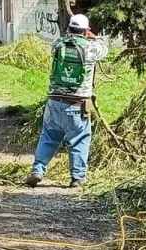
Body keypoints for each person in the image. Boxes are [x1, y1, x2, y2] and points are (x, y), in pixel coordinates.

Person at [26, 14, 109, 189]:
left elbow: (62, 44)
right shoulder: (90, 48)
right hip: (76, 105)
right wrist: (95, 36)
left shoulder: (57, 44)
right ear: (85, 31)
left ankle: (37, 171)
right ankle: (77, 177)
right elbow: (104, 47)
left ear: (69, 29)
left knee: (48, 137)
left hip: (54, 102)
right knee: (79, 139)